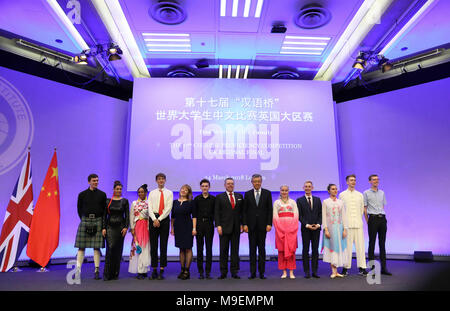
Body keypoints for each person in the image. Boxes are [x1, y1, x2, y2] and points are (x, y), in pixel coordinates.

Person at [75, 173, 107, 280]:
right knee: (81, 247)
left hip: (98, 220)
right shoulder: (82, 194)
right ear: (89, 182)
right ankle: (78, 270)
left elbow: (104, 212)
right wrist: (84, 220)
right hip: (85, 220)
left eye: (97, 180)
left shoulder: (102, 195)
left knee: (96, 247)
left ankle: (96, 270)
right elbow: (79, 209)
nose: (96, 182)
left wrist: (103, 226)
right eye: (94, 181)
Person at [243, 174, 273, 279]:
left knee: (262, 250)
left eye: (259, 181)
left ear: (261, 182)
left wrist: (269, 223)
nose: (257, 183)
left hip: (263, 226)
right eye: (255, 181)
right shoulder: (247, 194)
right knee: (252, 250)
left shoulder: (267, 193)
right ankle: (252, 273)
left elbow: (270, 210)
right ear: (252, 182)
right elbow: (244, 211)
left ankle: (261, 272)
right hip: (251, 227)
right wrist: (245, 224)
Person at [214, 177, 244, 279]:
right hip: (224, 227)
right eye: (228, 184)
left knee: (235, 250)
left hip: (236, 228)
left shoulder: (239, 196)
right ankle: (223, 271)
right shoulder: (219, 197)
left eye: (232, 183)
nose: (230, 185)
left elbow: (242, 212)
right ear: (225, 185)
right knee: (223, 250)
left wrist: (242, 224)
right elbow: (216, 213)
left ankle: (234, 271)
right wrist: (218, 225)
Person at [338, 174, 367, 276]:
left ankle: (362, 268)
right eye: (351, 180)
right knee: (347, 248)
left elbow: (361, 210)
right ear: (347, 182)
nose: (353, 182)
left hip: (358, 224)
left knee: (361, 247)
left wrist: (358, 219)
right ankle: (345, 268)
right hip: (347, 225)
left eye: (354, 180)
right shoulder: (342, 195)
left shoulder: (360, 195)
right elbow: (341, 211)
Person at [364, 174, 392, 275]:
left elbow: (382, 206)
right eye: (374, 179)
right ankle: (372, 268)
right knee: (372, 243)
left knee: (382, 244)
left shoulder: (382, 193)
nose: (376, 181)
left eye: (377, 179)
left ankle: (384, 268)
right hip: (372, 219)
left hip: (382, 219)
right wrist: (368, 220)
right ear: (370, 181)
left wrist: (381, 217)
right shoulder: (366, 193)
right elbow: (365, 208)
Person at [102, 181, 129, 281]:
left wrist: (126, 227)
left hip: (120, 228)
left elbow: (127, 216)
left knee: (118, 251)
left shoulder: (125, 201)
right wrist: (103, 227)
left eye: (120, 189)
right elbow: (104, 215)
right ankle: (107, 274)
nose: (119, 190)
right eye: (117, 189)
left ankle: (115, 273)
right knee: (110, 249)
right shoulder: (108, 201)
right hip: (109, 227)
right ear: (113, 189)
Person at [148, 173, 173, 280]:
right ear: (156, 181)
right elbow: (149, 207)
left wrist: (159, 219)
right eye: (159, 179)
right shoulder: (152, 193)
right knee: (153, 246)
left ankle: (162, 269)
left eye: (163, 179)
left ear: (165, 180)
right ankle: (154, 269)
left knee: (163, 245)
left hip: (164, 219)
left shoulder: (169, 193)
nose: (161, 180)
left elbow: (168, 208)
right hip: (153, 219)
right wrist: (154, 219)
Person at [322, 184, 348, 279]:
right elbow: (324, 217)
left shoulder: (341, 202)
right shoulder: (325, 202)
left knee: (339, 248)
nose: (335, 190)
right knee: (332, 248)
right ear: (329, 191)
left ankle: (336, 271)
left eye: (336, 189)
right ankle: (333, 271)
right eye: (333, 189)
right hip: (330, 228)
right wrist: (326, 229)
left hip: (339, 228)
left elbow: (344, 216)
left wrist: (345, 229)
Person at [171, 184, 196, 280]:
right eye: (182, 189)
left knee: (188, 248)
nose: (183, 191)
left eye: (186, 190)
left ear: (188, 192)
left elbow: (194, 217)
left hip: (188, 227)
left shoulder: (191, 202)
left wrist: (194, 228)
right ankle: (182, 270)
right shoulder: (175, 202)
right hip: (178, 227)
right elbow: (172, 217)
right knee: (181, 249)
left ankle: (187, 270)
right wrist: (172, 228)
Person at [297, 180, 322, 279]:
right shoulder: (299, 200)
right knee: (305, 250)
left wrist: (319, 224)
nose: (307, 188)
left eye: (309, 186)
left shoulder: (317, 199)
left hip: (316, 229)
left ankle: (315, 271)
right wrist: (307, 224)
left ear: (312, 188)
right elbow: (300, 215)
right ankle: (307, 271)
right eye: (306, 186)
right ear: (303, 188)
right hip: (306, 229)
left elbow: (321, 214)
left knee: (315, 250)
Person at [273, 185, 299, 279]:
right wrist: (280, 229)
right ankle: (284, 271)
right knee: (281, 251)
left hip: (291, 231)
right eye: (282, 190)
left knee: (291, 251)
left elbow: (296, 216)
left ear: (288, 191)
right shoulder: (276, 203)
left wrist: (291, 229)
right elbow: (275, 217)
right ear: (280, 191)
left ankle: (291, 271)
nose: (284, 192)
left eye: (286, 190)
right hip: (280, 231)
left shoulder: (293, 202)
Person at [193, 179, 215, 279]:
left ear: (209, 187)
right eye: (203, 186)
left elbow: (216, 214)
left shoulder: (213, 199)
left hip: (209, 224)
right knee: (199, 248)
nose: (205, 188)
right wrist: (194, 227)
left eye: (206, 186)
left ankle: (208, 271)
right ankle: (201, 271)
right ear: (201, 187)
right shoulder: (197, 199)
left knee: (209, 248)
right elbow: (194, 215)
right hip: (199, 225)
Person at [129, 184, 151, 279]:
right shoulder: (134, 203)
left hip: (146, 227)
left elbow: (150, 216)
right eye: (139, 192)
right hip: (137, 227)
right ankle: (139, 270)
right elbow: (131, 217)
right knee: (138, 247)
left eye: (142, 192)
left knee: (146, 247)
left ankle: (144, 269)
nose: (140, 193)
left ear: (146, 193)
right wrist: (132, 228)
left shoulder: (149, 203)